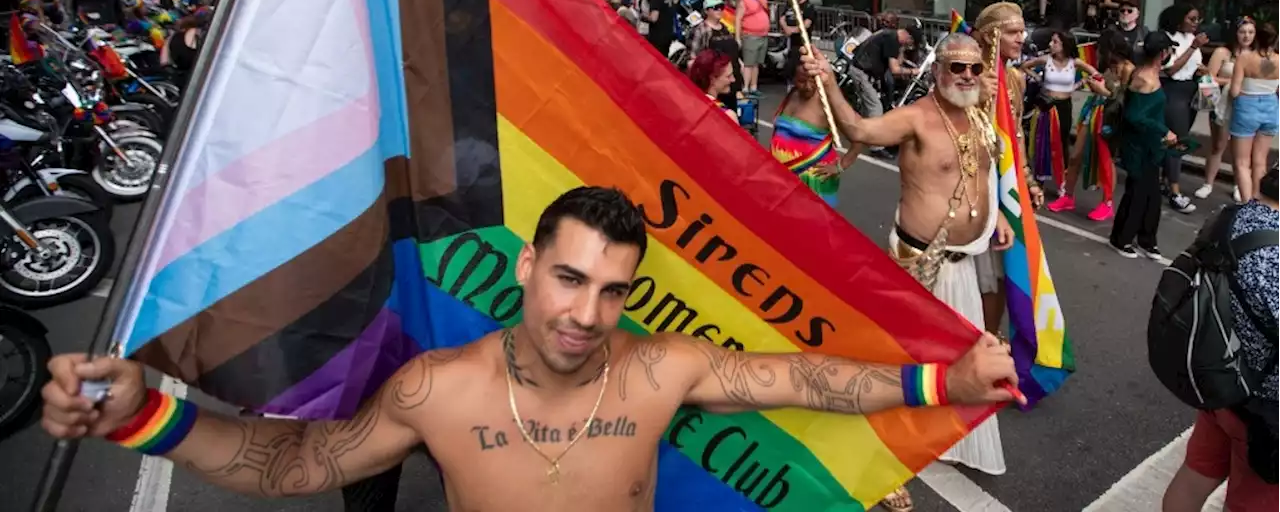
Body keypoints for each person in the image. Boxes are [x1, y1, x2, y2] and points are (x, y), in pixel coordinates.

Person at [41, 187, 1018, 511]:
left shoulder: (656, 368)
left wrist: (945, 376)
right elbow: (296, 462)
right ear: (524, 266)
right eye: (567, 277)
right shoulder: (436, 388)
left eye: (610, 289)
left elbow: (802, 376)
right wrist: (139, 415)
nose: (585, 312)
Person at [799, 35, 1016, 512]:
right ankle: (880, 467)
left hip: (968, 257)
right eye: (957, 67)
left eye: (975, 69)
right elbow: (859, 128)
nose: (966, 76)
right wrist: (830, 81)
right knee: (900, 363)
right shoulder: (917, 116)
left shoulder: (979, 116)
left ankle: (939, 438)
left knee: (958, 358)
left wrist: (997, 214)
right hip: (919, 259)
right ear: (937, 69)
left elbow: (981, 172)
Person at [1163, 168, 1280, 512]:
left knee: (1194, 475)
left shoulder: (1232, 217)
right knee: (1252, 502)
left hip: (1222, 379)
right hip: (1265, 408)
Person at [971, 2, 1044, 337]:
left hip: (1007, 189)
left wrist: (1027, 180)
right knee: (978, 277)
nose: (1022, 38)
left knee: (1003, 272)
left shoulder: (1014, 79)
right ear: (990, 36)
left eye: (1022, 30)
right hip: (973, 192)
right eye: (1014, 32)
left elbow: (1015, 136)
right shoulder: (968, 77)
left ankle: (991, 335)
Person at [1047, 36, 1135, 221]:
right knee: (1075, 156)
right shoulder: (1109, 65)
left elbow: (1123, 99)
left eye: (1101, 49)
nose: (1097, 52)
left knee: (1105, 160)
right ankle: (1068, 196)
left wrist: (1102, 90)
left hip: (1109, 117)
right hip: (1094, 110)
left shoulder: (1128, 68)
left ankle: (1107, 203)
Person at [1109, 31, 1179, 259]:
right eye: (1169, 50)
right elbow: (1134, 115)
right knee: (1137, 193)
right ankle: (1121, 238)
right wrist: (1163, 130)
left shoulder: (1154, 74)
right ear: (1162, 53)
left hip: (1152, 145)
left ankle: (1147, 240)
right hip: (1138, 145)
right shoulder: (1143, 77)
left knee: (1152, 195)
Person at [1022, 30, 1100, 196]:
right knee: (1042, 142)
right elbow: (1025, 66)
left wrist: (1081, 83)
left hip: (1064, 105)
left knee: (1062, 143)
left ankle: (1062, 181)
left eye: (1055, 42)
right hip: (1046, 105)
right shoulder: (1046, 60)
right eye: (1051, 41)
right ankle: (1039, 180)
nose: (1051, 44)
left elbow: (1094, 73)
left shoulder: (1074, 62)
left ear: (1064, 45)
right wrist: (1037, 78)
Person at [771, 62, 850, 207]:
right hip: (783, 176)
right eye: (802, 81)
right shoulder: (792, 94)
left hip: (813, 178)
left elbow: (859, 135)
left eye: (813, 80)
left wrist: (841, 165)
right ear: (793, 78)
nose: (808, 86)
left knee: (811, 225)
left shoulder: (827, 101)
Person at [1196, 18, 1255, 201]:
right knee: (1218, 145)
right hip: (1221, 102)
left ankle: (1239, 185)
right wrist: (1233, 82)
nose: (1246, 36)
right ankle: (1208, 183)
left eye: (1250, 32)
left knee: (1242, 149)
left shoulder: (1256, 55)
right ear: (1235, 33)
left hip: (1245, 105)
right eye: (1242, 31)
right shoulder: (1223, 52)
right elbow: (1210, 78)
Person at [1160, 4, 1208, 215]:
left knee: (1182, 138)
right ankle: (1175, 192)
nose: (1196, 23)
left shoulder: (1191, 39)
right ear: (1179, 19)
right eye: (1192, 19)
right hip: (1173, 91)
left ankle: (1164, 180)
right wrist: (1193, 48)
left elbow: (1192, 65)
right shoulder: (1169, 38)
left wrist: (1201, 70)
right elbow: (1171, 69)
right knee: (1176, 143)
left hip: (1190, 90)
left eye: (1198, 19)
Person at [1229, 19, 1280, 202]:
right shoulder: (1279, 60)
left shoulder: (1245, 58)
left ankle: (1246, 204)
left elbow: (1234, 91)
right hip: (1271, 109)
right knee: (1260, 161)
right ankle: (1258, 201)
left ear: (1256, 37)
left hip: (1247, 108)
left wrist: (1245, 92)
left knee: (1242, 163)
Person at [849, 24, 920, 119]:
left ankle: (863, 128)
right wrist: (913, 71)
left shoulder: (889, 34)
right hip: (861, 72)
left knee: (868, 107)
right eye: (911, 43)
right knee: (876, 108)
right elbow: (895, 69)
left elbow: (897, 62)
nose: (909, 46)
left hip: (863, 70)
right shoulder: (892, 40)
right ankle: (874, 132)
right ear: (909, 37)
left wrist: (902, 48)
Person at [736, 0, 771, 96]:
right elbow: (738, 19)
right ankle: (745, 87)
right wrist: (737, 37)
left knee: (756, 63)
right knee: (749, 63)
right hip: (750, 35)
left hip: (763, 35)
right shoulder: (744, 0)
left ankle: (754, 87)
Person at [779, 0, 815, 85]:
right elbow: (782, 18)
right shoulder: (789, 4)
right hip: (789, 43)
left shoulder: (808, 7)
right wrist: (786, 28)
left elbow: (807, 24)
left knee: (799, 68)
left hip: (802, 44)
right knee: (789, 69)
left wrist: (792, 30)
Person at [686, 50, 737, 122]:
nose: (733, 80)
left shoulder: (685, 106)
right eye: (728, 76)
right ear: (712, 79)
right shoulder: (727, 116)